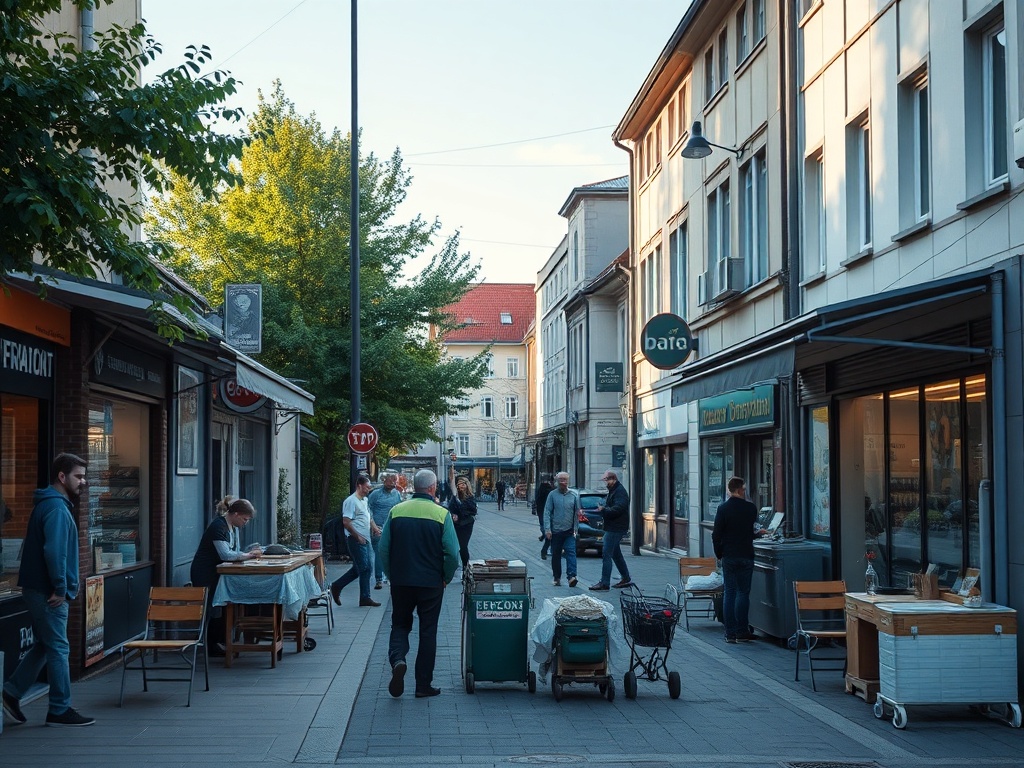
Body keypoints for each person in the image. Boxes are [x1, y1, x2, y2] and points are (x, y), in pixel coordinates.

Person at [2, 453, 95, 727]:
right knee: (58, 648)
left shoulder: (52, 505)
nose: (84, 481)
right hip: (48, 592)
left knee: (45, 644)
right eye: (78, 476)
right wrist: (60, 587)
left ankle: (11, 692)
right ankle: (59, 709)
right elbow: (55, 552)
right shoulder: (56, 508)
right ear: (62, 477)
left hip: (40, 589)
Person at [378, 469, 459, 698]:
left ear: (415, 486)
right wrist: (446, 577)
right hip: (431, 583)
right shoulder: (441, 514)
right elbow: (452, 553)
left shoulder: (396, 511)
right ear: (433, 488)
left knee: (400, 624)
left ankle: (398, 660)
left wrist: (391, 574)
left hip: (402, 581)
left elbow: (383, 548)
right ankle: (423, 685)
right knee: (428, 631)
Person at [189, 496, 261, 656]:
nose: (245, 522)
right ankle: (210, 645)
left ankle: (219, 640)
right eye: (244, 519)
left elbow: (234, 551)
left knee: (220, 605)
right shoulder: (218, 527)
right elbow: (225, 554)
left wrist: (244, 554)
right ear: (235, 514)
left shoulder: (231, 528)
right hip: (205, 572)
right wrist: (248, 556)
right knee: (212, 607)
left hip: (217, 572)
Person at [712, 476, 764, 643]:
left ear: (729, 489)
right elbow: (750, 532)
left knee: (730, 592)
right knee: (743, 593)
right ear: (742, 489)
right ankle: (742, 631)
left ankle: (730, 632)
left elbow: (716, 534)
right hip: (746, 554)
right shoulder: (751, 508)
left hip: (729, 555)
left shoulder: (723, 509)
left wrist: (719, 553)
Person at [331, 475, 381, 607]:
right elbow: (346, 522)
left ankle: (342, 588)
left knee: (364, 568)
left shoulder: (364, 500)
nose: (368, 490)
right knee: (364, 568)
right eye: (367, 487)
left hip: (366, 539)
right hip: (356, 539)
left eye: (369, 488)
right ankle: (340, 587)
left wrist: (375, 529)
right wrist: (357, 536)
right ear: (359, 485)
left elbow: (369, 517)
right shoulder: (351, 501)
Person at [590, 469, 633, 591]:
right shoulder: (614, 490)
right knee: (616, 554)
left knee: (606, 554)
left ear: (613, 479)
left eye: (606, 480)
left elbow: (619, 508)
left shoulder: (619, 491)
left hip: (616, 527)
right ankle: (625, 577)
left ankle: (604, 582)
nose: (605, 483)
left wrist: (604, 510)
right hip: (614, 526)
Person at [543, 472, 579, 588]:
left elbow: (576, 514)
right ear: (557, 481)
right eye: (561, 480)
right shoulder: (552, 495)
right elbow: (547, 512)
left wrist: (576, 530)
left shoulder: (574, 495)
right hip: (556, 531)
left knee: (571, 553)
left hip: (569, 531)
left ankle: (572, 577)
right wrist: (547, 529)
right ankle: (557, 577)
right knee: (556, 555)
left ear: (568, 481)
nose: (563, 482)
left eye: (565, 480)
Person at [368, 472, 402, 589]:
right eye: (391, 479)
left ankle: (389, 576)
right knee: (379, 552)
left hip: (392, 527)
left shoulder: (397, 494)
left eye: (395, 480)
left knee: (392, 553)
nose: (393, 482)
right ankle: (379, 578)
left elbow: (399, 509)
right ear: (384, 480)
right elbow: (368, 509)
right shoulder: (376, 494)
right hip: (378, 528)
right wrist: (373, 525)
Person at [447, 468, 477, 570]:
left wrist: (459, 515)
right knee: (456, 546)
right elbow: (451, 508)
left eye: (463, 484)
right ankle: (460, 566)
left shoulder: (470, 498)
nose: (461, 486)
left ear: (467, 485)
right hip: (456, 525)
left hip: (466, 525)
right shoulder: (455, 496)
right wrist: (453, 514)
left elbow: (471, 512)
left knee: (463, 546)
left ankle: (466, 567)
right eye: (459, 484)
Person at [535, 475, 554, 560]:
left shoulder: (540, 492)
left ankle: (545, 549)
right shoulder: (551, 492)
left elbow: (537, 502)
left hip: (541, 513)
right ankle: (545, 550)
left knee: (546, 531)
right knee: (549, 534)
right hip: (550, 515)